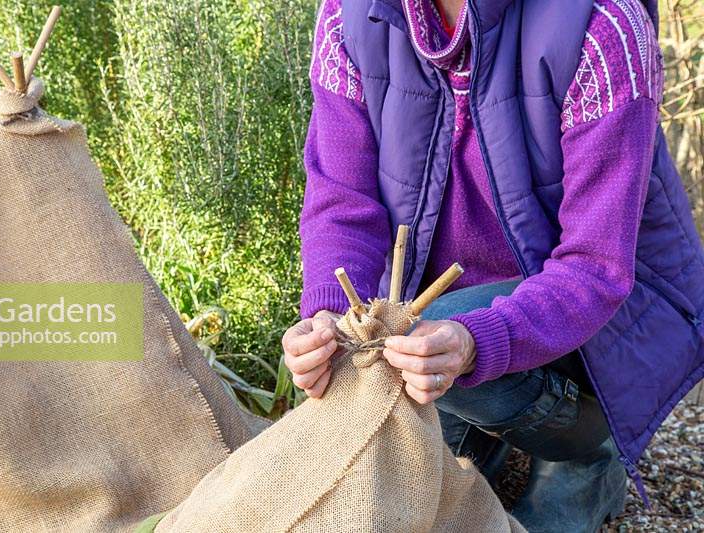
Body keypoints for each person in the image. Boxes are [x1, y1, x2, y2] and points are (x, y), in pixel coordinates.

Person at [282, 0, 704, 531]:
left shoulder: (603, 25)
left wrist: (474, 342)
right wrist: (330, 320)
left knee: (443, 354)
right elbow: (341, 203)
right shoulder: (349, 16)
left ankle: (589, 458)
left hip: (604, 325)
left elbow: (595, 268)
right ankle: (493, 423)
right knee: (408, 456)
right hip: (454, 321)